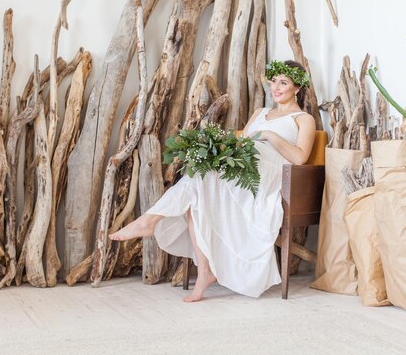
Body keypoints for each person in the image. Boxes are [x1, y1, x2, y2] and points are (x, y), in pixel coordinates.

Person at [110, 60, 316, 302]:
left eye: (284, 83)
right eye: (274, 82)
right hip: (243, 165)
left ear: (298, 88)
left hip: (270, 170)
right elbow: (243, 142)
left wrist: (270, 136)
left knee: (195, 182)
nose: (277, 87)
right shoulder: (259, 113)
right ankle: (204, 271)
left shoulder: (303, 119)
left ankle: (150, 219)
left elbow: (300, 157)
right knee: (195, 187)